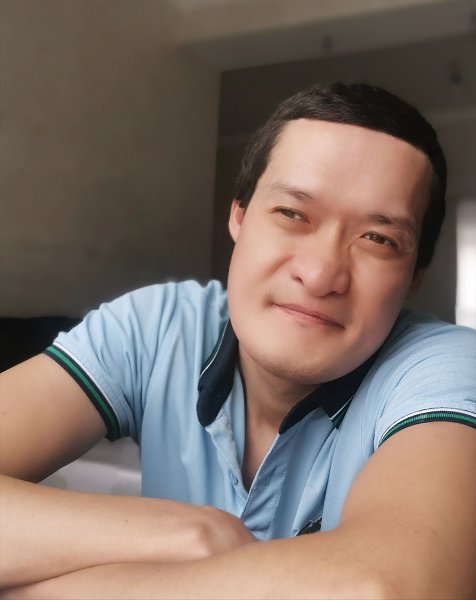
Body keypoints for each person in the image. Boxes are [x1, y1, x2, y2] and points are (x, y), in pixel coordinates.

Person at [1, 82, 475, 599]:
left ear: (414, 277)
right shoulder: (157, 327)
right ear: (239, 217)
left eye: (378, 239)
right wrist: (192, 536)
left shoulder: (443, 366)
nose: (320, 275)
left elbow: (384, 589)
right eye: (292, 214)